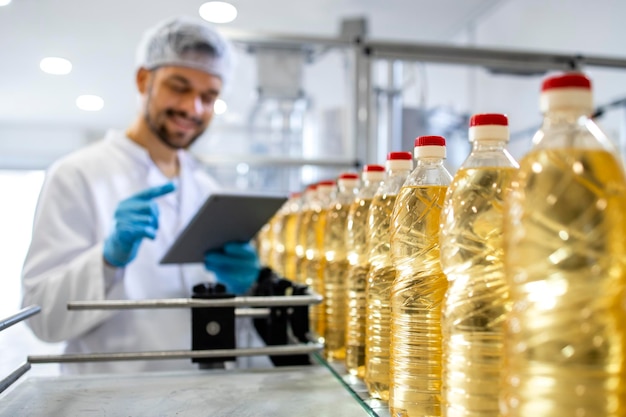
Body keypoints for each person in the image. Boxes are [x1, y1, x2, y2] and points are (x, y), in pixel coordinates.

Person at [21, 16, 267, 374]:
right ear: (143, 80)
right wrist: (106, 261)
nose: (192, 108)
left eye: (208, 96)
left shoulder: (208, 190)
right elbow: (42, 320)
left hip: (203, 400)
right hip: (107, 402)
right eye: (178, 87)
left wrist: (244, 290)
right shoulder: (77, 175)